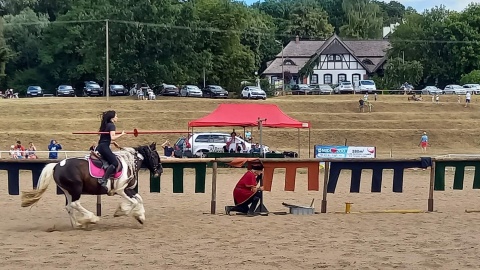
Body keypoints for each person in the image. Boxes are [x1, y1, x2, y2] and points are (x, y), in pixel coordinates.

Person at [96, 110, 126, 191]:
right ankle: (103, 179)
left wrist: (113, 143)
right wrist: (121, 134)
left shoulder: (106, 125)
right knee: (115, 162)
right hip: (104, 147)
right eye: (116, 116)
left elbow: (106, 139)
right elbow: (112, 137)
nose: (117, 117)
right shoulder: (112, 126)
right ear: (112, 118)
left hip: (101, 146)